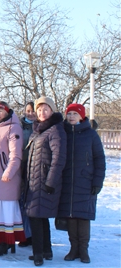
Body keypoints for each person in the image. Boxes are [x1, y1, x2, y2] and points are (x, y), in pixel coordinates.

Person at [57, 103, 105, 264]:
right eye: (69, 114)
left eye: (74, 114)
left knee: (83, 217)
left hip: (85, 182)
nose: (71, 117)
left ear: (81, 116)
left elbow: (99, 159)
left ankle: (83, 250)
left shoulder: (90, 135)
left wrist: (97, 181)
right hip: (67, 182)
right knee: (70, 216)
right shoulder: (63, 132)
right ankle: (73, 248)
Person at [25, 96, 67, 266]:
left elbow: (59, 158)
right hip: (34, 179)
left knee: (35, 217)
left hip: (44, 181)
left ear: (52, 110)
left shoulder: (55, 130)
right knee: (40, 217)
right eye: (39, 109)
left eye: (45, 109)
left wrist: (51, 181)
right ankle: (47, 250)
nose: (42, 112)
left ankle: (37, 254)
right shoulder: (39, 130)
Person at [0, 101, 26, 256]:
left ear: (7, 112)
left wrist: (9, 172)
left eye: (0, 111)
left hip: (6, 178)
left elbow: (15, 154)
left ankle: (6, 242)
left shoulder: (13, 128)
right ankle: (2, 241)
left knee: (6, 211)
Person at [19, 102, 36, 248]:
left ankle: (34, 235)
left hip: (36, 168)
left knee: (33, 203)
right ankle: (24, 234)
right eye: (28, 111)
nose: (30, 113)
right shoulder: (19, 126)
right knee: (22, 202)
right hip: (21, 167)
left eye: (33, 111)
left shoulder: (41, 127)